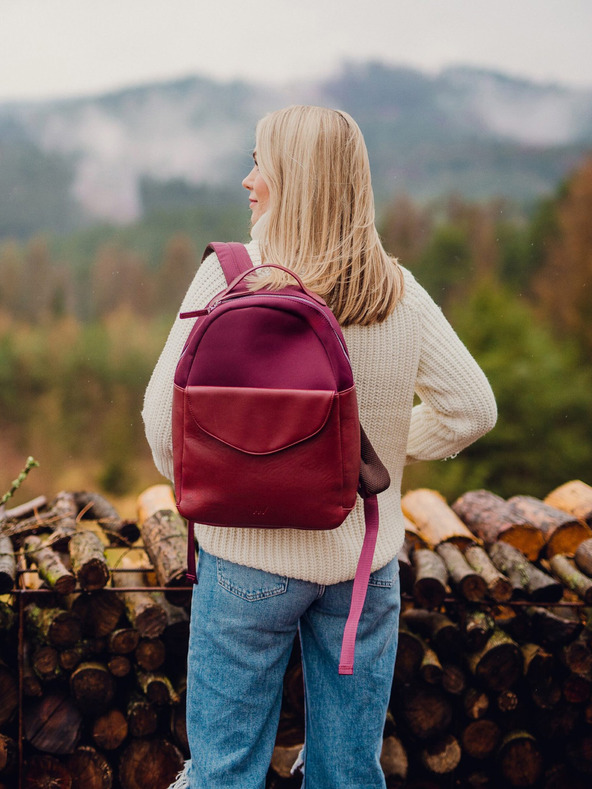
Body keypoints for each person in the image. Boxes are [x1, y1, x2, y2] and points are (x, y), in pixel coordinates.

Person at [142, 105, 497, 789]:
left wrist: (240, 478)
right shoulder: (397, 291)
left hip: (247, 559)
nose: (247, 180)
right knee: (348, 774)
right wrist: (364, 464)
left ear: (293, 180)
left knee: (224, 772)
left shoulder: (230, 279)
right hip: (362, 566)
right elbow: (472, 409)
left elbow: (165, 431)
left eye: (259, 163)